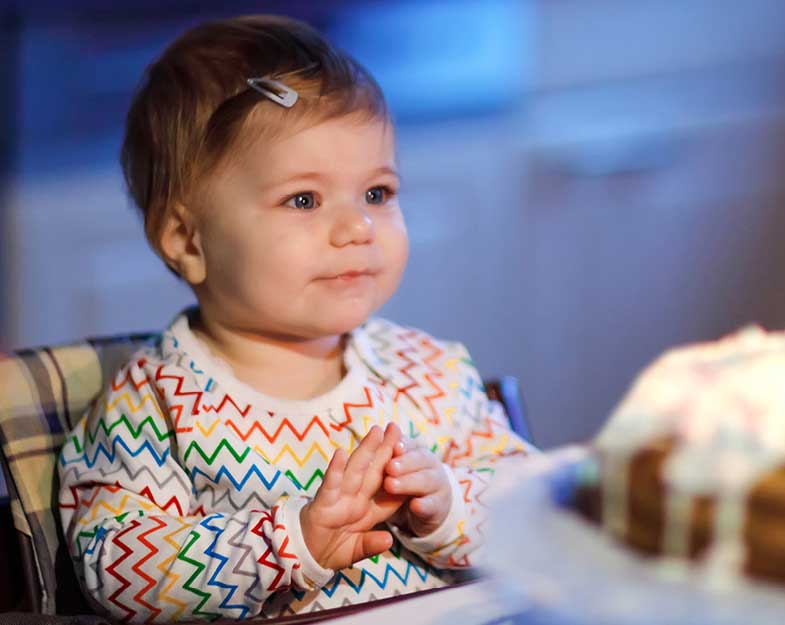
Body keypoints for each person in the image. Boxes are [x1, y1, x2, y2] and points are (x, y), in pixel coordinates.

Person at [56, 14, 533, 622]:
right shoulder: (154, 406)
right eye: (303, 200)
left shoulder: (429, 373)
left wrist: (452, 507)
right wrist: (291, 543)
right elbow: (119, 571)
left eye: (377, 194)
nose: (358, 227)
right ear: (188, 239)